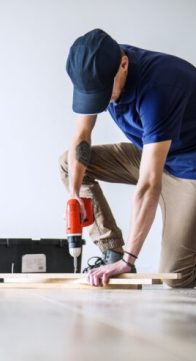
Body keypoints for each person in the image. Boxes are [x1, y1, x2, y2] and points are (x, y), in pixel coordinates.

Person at [60, 28, 196, 288]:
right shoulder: (98, 66)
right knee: (69, 163)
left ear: (124, 65)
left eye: (103, 94)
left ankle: (122, 259)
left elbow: (148, 185)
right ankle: (111, 250)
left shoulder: (160, 88)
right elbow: (82, 136)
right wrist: (75, 194)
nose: (101, 102)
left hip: (188, 167)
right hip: (150, 152)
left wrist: (128, 260)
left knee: (177, 277)